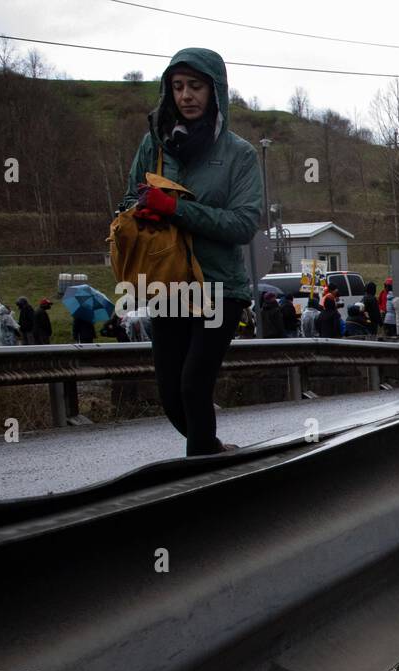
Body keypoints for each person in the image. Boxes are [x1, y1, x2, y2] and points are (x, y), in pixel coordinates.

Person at [120, 48, 261, 456]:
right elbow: (128, 199)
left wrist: (176, 208)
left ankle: (202, 486)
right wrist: (137, 212)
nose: (186, 96)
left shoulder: (240, 154)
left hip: (219, 287)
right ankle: (213, 452)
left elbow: (242, 224)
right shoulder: (154, 145)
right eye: (178, 87)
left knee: (193, 384)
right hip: (167, 284)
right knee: (170, 396)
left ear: (215, 91)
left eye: (196, 86)